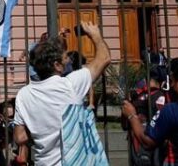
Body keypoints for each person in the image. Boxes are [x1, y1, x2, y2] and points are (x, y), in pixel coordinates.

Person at [12, 21, 110, 165]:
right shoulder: (70, 85)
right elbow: (104, 58)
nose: (69, 60)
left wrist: (41, 125)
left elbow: (20, 137)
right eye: (65, 57)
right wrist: (96, 35)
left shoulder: (23, 95)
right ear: (57, 65)